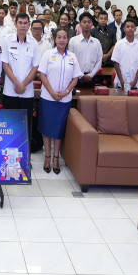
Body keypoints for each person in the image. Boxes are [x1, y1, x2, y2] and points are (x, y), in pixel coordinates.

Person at [38, 28, 81, 174]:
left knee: (59, 129)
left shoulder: (72, 57)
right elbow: (42, 74)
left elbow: (75, 77)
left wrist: (66, 92)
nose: (62, 40)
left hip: (64, 99)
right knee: (47, 128)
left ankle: (56, 158)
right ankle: (47, 156)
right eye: (59, 37)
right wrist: (52, 92)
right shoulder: (48, 54)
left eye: (64, 37)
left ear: (67, 39)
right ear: (55, 39)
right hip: (48, 97)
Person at [1, 13, 41, 151]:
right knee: (10, 123)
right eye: (20, 23)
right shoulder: (7, 41)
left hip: (27, 91)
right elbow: (5, 64)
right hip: (10, 90)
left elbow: (35, 67)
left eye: (25, 23)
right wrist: (16, 83)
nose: (23, 26)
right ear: (15, 24)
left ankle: (24, 154)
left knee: (26, 124)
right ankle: (8, 152)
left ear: (29, 25)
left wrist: (23, 84)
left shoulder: (33, 43)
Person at [68, 13, 102, 88]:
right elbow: (71, 60)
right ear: (80, 24)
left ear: (92, 24)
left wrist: (90, 75)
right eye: (84, 22)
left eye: (89, 22)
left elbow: (99, 61)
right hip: (76, 77)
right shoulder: (73, 40)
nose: (87, 24)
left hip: (91, 78)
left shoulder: (96, 42)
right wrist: (81, 75)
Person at [111, 18, 138, 89]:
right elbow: (116, 63)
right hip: (120, 83)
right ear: (124, 29)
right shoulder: (119, 44)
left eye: (132, 27)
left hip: (135, 83)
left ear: (135, 29)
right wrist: (122, 81)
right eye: (127, 26)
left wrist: (135, 81)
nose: (130, 28)